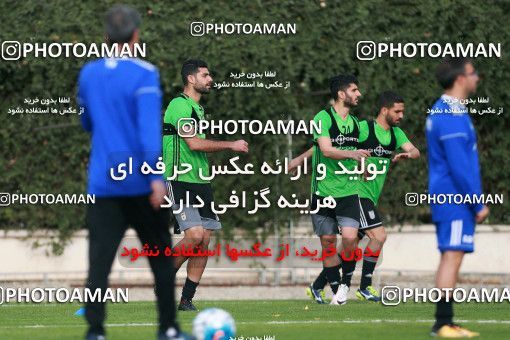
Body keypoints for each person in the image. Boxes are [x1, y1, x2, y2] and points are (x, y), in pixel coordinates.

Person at [78, 4, 186, 340]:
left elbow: (86, 122)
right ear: (137, 34)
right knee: (161, 260)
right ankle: (168, 328)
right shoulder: (145, 73)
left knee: (99, 264)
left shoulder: (89, 73)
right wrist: (156, 176)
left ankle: (95, 331)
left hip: (103, 183)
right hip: (140, 183)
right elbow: (147, 130)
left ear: (106, 36)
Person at [297, 91, 420, 303]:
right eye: (397, 111)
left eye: (403, 111)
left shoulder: (396, 134)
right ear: (384, 110)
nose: (401, 115)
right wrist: (301, 158)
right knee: (379, 236)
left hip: (371, 197)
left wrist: (409, 154)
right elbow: (325, 145)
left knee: (346, 246)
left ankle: (317, 286)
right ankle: (364, 286)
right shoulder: (363, 128)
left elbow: (415, 150)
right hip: (356, 193)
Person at [163, 59, 249, 311]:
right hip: (180, 179)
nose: (210, 79)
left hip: (201, 181)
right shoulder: (179, 105)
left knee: (204, 243)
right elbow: (194, 144)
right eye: (205, 75)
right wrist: (230, 144)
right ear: (191, 79)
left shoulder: (198, 110)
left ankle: (186, 299)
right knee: (195, 236)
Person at [289, 74, 370, 305]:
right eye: (354, 90)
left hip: (348, 191)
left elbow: (358, 152)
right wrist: (352, 154)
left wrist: (363, 165)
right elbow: (324, 149)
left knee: (350, 240)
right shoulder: (322, 118)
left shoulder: (356, 124)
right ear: (341, 94)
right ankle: (336, 291)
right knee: (327, 243)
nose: (359, 94)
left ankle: (344, 285)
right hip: (323, 191)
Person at [426, 57, 489, 337]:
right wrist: (477, 202)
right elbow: (459, 165)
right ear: (460, 79)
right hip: (454, 198)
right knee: (452, 256)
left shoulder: (450, 110)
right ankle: (443, 324)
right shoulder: (449, 115)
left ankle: (444, 321)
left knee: (450, 256)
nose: (477, 77)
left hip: (450, 197)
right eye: (474, 72)